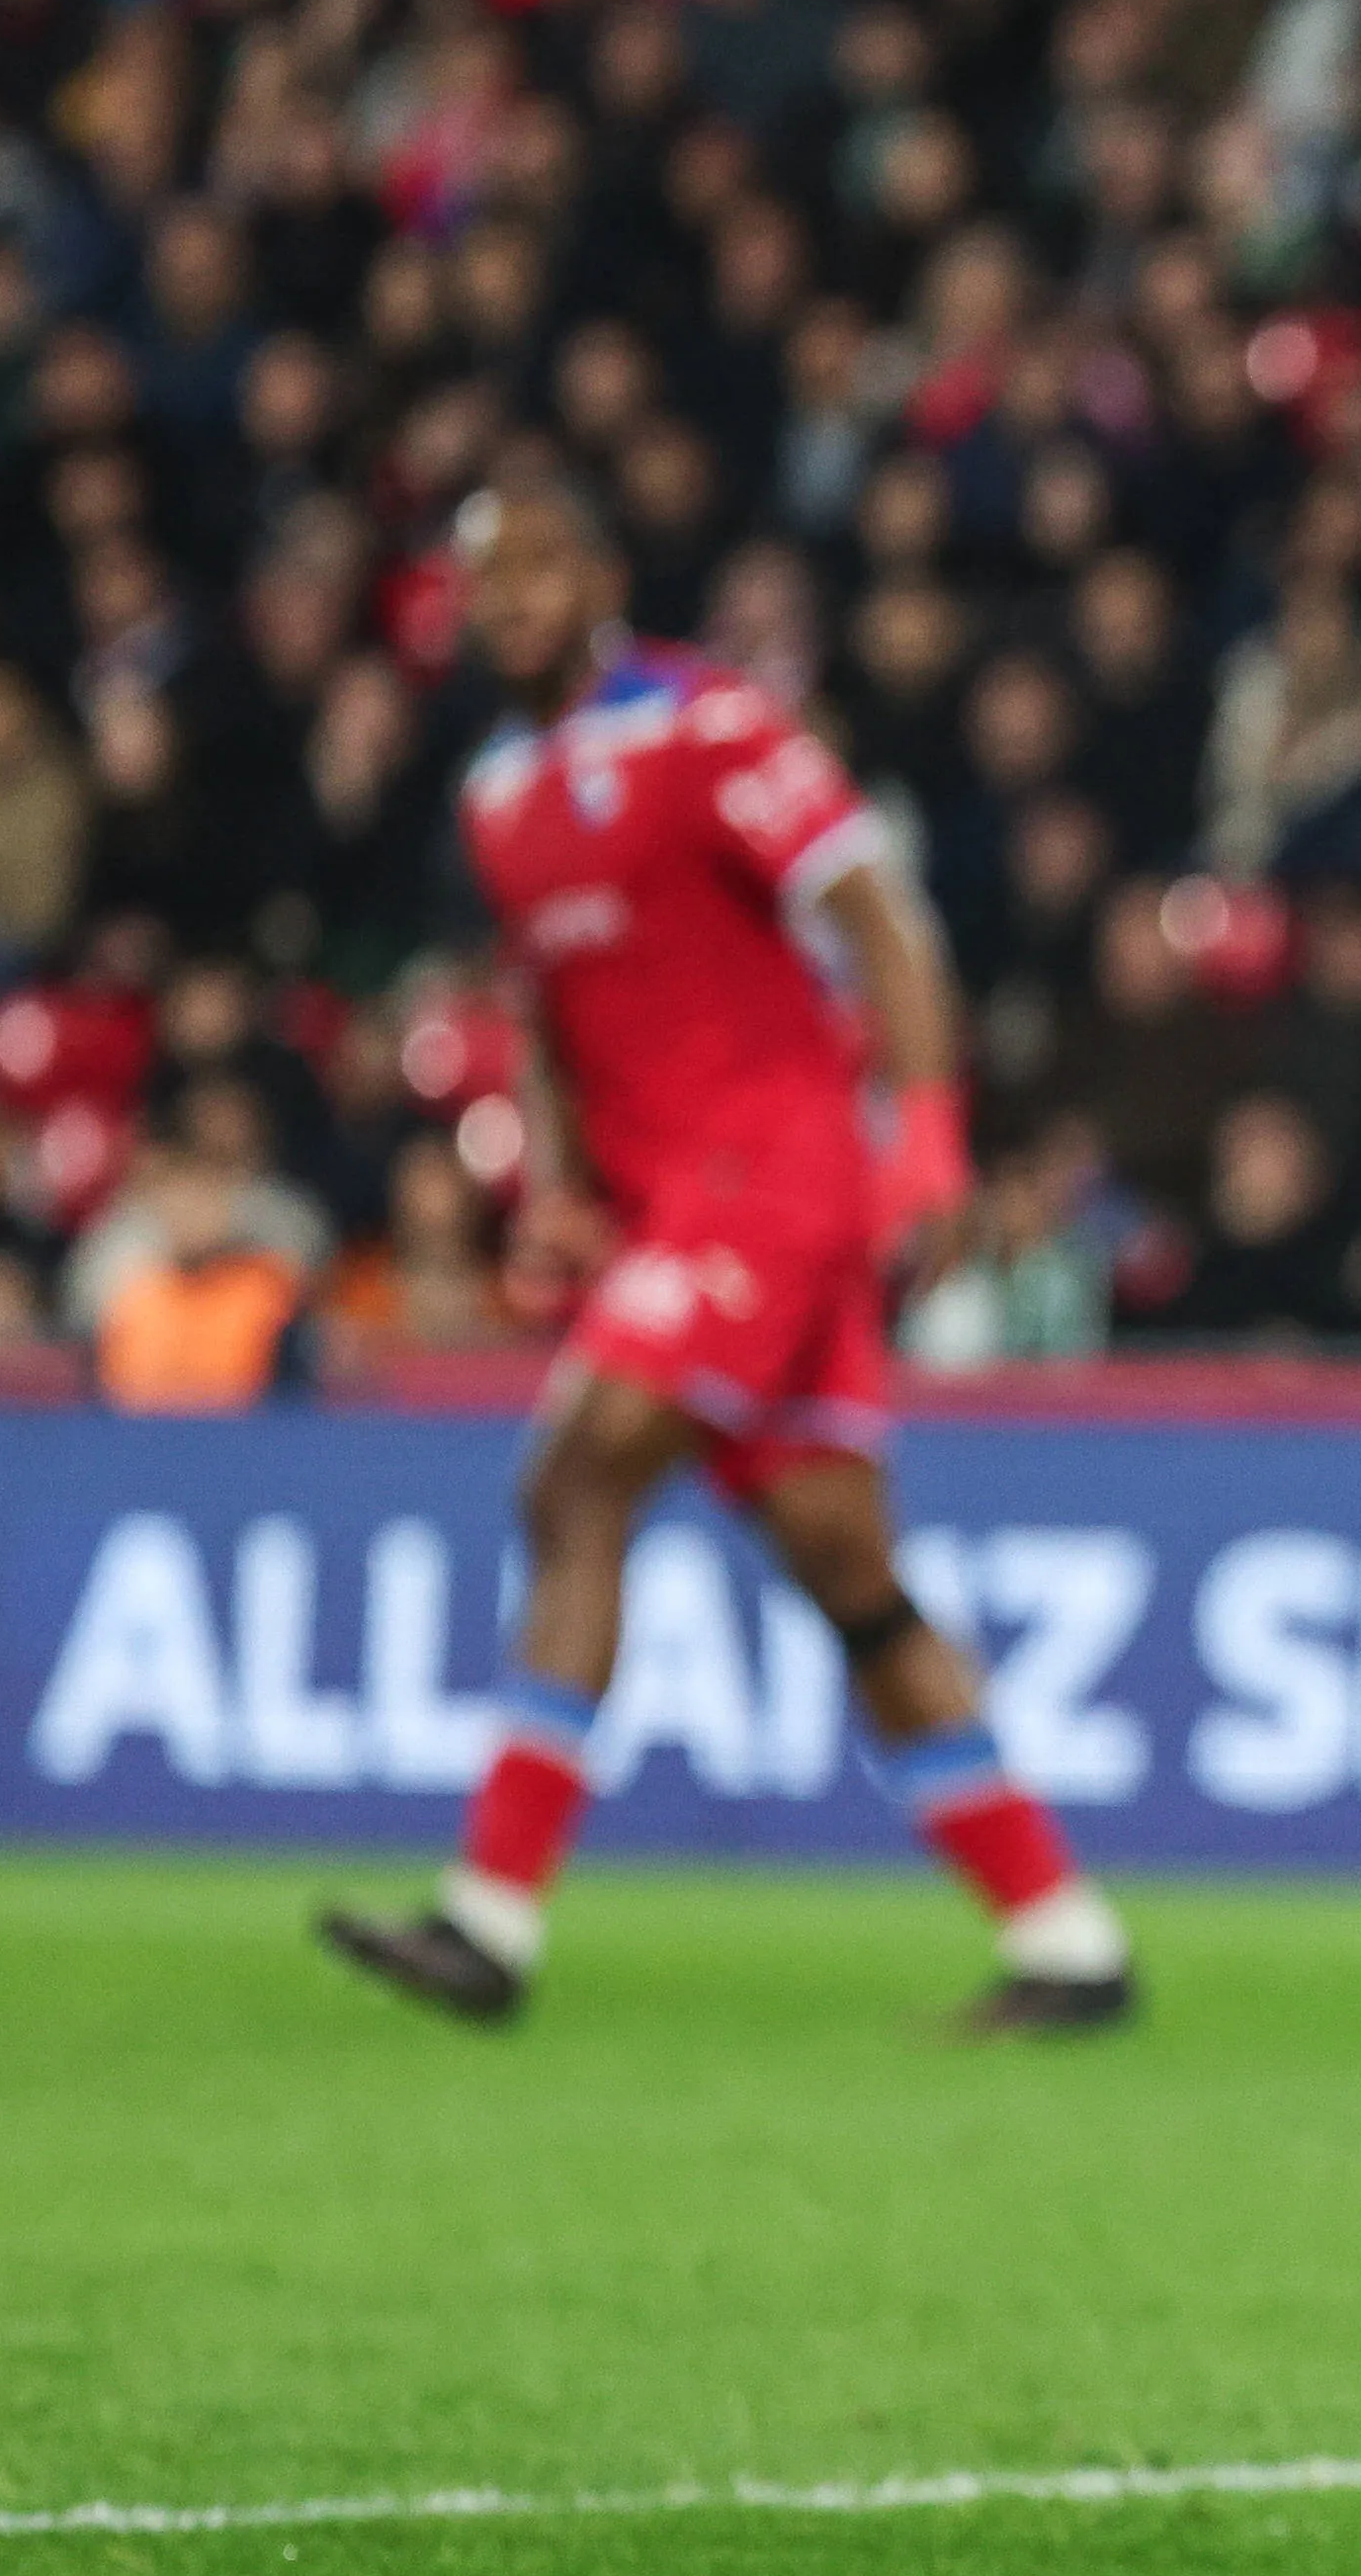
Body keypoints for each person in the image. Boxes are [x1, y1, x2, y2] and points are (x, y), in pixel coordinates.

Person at [313, 469, 1135, 2036]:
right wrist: (558, 1188)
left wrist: (930, 1137)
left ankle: (488, 1919)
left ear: (602, 574)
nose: (512, 604)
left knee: (573, 1478)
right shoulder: (498, 792)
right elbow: (550, 1011)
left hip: (774, 1178)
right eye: (485, 581)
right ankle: (1067, 1939)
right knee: (848, 1573)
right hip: (673, 1207)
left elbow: (879, 913)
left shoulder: (708, 728)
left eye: (540, 568)